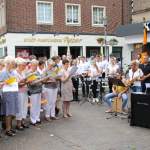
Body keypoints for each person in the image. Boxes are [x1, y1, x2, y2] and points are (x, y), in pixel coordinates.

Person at [0, 56, 19, 136]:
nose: (13, 64)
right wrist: (5, 82)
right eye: (12, 63)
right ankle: (7, 129)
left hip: (13, 92)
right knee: (8, 112)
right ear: (8, 64)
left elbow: (15, 80)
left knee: (11, 112)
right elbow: (0, 84)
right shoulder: (3, 72)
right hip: (7, 94)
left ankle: (10, 128)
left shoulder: (12, 71)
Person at [27, 59, 42, 126]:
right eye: (34, 65)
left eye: (36, 65)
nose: (36, 67)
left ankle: (37, 118)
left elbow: (40, 79)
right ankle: (33, 120)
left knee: (38, 105)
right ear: (31, 65)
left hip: (39, 90)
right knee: (33, 106)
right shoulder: (29, 73)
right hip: (33, 91)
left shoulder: (37, 72)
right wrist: (39, 80)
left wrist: (41, 80)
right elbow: (31, 84)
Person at [15, 58, 29, 130]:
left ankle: (23, 122)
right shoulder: (15, 73)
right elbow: (16, 84)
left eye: (25, 65)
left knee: (24, 107)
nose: (24, 67)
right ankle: (18, 124)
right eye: (23, 65)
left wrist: (27, 80)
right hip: (19, 92)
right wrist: (24, 82)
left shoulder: (23, 72)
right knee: (20, 108)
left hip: (25, 91)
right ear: (19, 65)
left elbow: (24, 81)